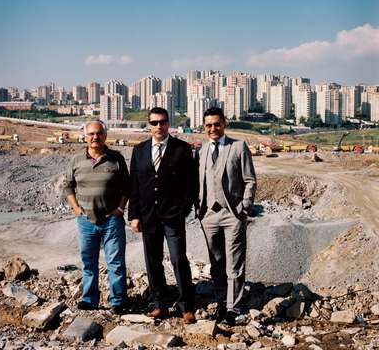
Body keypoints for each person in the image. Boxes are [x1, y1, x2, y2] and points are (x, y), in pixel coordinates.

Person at [128, 107, 197, 324]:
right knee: (153, 262)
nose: (159, 126)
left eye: (163, 122)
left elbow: (190, 184)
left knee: (178, 259)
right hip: (148, 217)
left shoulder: (182, 149)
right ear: (148, 125)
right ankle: (160, 304)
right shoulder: (139, 151)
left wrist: (184, 209)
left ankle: (187, 305)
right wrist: (134, 215)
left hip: (173, 216)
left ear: (169, 124)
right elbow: (134, 186)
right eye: (155, 122)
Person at [197, 107, 257, 325]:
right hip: (208, 215)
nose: (213, 128)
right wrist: (199, 209)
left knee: (235, 262)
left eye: (217, 124)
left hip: (233, 214)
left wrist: (245, 207)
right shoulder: (202, 151)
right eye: (208, 125)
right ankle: (222, 301)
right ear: (204, 127)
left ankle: (234, 307)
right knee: (216, 261)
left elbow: (250, 179)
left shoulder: (238, 147)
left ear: (224, 124)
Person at [63, 120, 130, 313]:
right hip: (86, 221)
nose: (95, 137)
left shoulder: (116, 158)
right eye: (91, 134)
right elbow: (68, 185)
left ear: (105, 136)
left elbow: (127, 186)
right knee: (88, 262)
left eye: (99, 133)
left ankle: (118, 302)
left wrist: (120, 209)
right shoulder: (76, 160)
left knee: (116, 263)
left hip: (112, 220)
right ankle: (89, 299)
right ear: (85, 136)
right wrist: (76, 208)